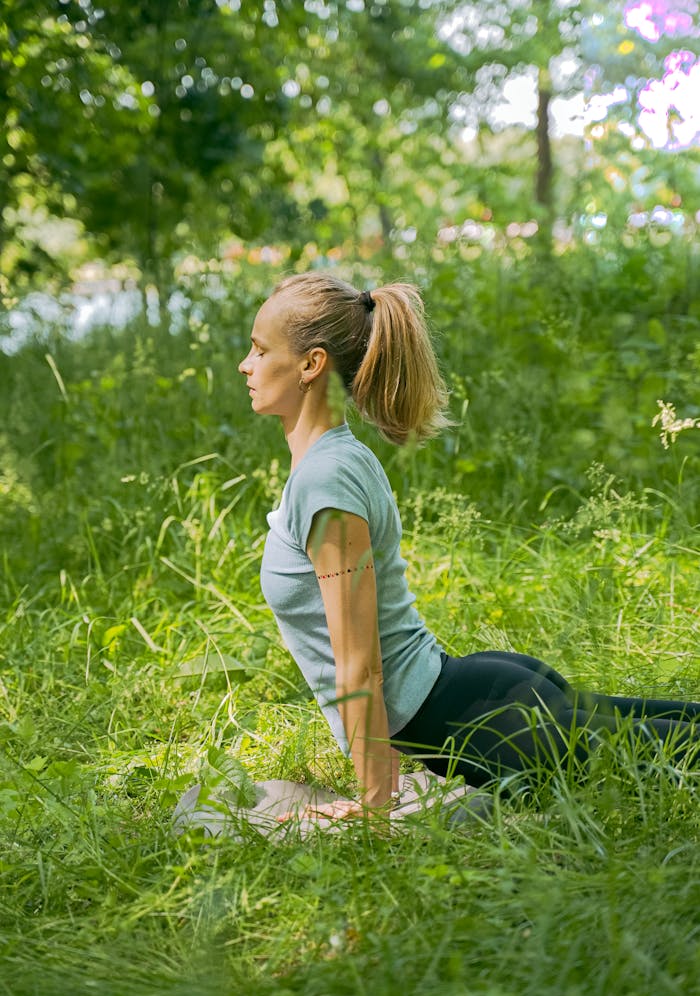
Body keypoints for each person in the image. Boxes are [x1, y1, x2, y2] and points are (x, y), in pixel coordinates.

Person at [238, 272, 700, 821]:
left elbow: (358, 664)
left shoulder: (326, 480)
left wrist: (373, 808)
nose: (246, 364)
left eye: (261, 349)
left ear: (311, 365)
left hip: (478, 724)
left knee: (678, 750)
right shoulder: (334, 460)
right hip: (478, 698)